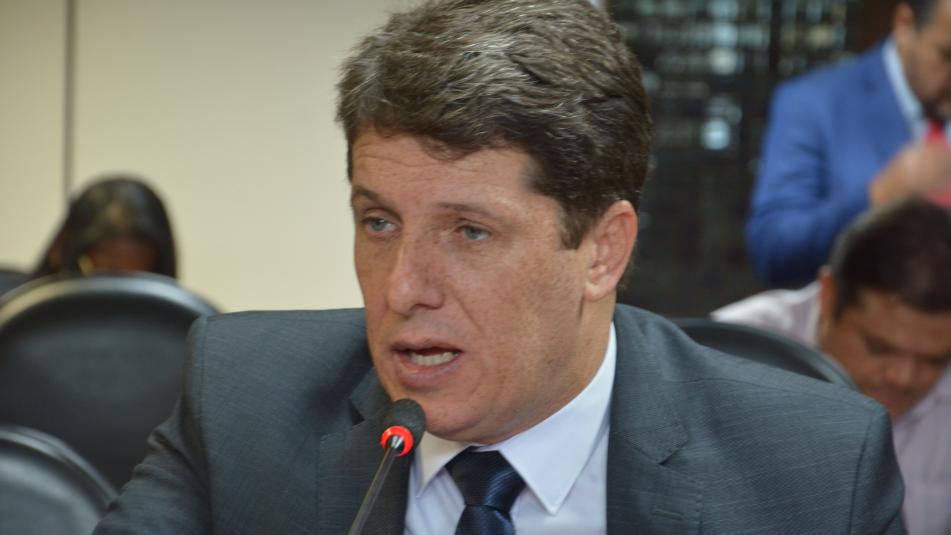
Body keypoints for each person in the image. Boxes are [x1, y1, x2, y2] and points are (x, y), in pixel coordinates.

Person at [94, 1, 905, 533]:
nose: (402, 287)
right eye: (378, 222)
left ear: (602, 249)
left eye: (470, 232)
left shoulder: (812, 473)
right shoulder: (242, 404)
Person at [715, 197, 951, 535]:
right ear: (828, 296)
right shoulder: (723, 359)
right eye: (879, 348)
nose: (903, 377)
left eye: (934, 360)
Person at [746, 0, 951, 287]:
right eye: (947, 55)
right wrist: (878, 197)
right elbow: (775, 250)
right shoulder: (813, 104)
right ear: (905, 25)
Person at [31, 174, 177, 279]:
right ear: (60, 254)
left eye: (140, 279)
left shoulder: (171, 310)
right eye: (108, 275)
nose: (122, 294)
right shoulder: (24, 307)